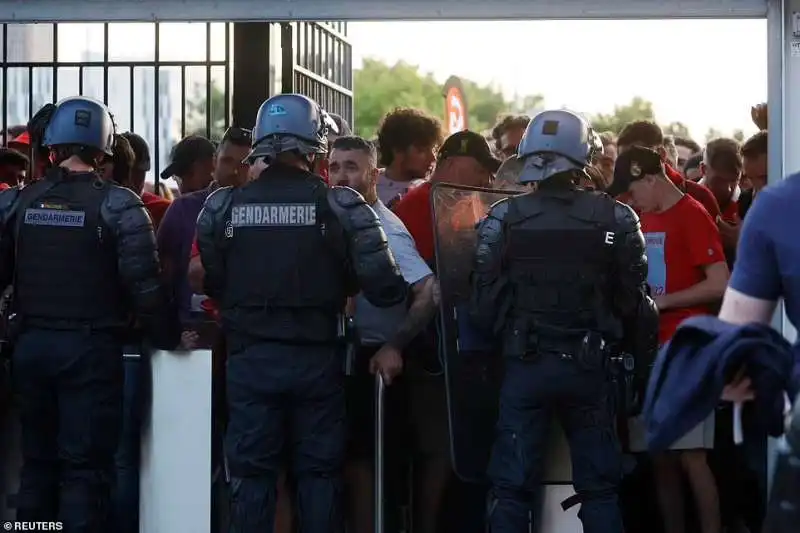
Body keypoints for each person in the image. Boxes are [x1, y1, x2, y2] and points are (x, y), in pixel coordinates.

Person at [196, 93, 408, 533]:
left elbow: (215, 281)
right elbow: (387, 289)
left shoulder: (222, 207)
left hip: (250, 359)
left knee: (252, 477)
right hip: (317, 359)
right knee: (318, 475)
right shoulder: (343, 206)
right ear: (315, 146)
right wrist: (343, 276)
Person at [469, 109, 658, 533]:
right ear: (583, 156)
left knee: (511, 488)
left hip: (525, 365)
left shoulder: (503, 219)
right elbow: (635, 305)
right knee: (600, 489)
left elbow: (482, 306)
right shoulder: (617, 218)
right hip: (590, 368)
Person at [0, 96, 180, 532]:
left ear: (53, 146)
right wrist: (168, 339)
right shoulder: (120, 206)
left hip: (31, 349)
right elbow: (145, 287)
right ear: (104, 150)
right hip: (91, 352)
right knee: (85, 470)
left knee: (38, 466)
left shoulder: (17, 204)